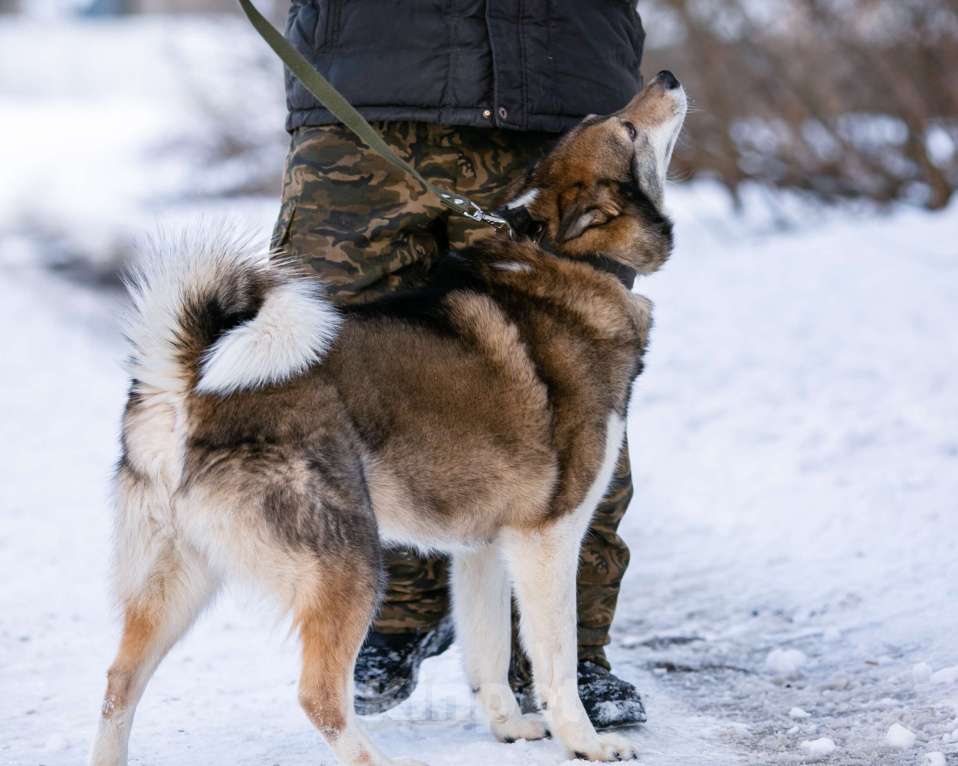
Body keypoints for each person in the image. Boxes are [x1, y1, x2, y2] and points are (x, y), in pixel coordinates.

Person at [272, 0, 647, 729]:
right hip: (365, 92)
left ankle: (570, 658)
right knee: (325, 366)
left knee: (568, 382)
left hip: (554, 97)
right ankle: (395, 613)